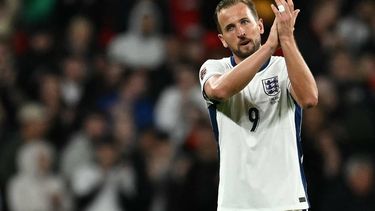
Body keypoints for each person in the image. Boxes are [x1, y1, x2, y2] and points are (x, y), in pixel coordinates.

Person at [198, 0, 318, 210]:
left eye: (245, 21)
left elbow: (309, 99)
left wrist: (286, 37)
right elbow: (219, 90)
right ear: (223, 40)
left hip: (286, 202)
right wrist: (271, 46)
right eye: (230, 28)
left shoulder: (284, 67)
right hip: (236, 204)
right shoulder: (214, 68)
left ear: (260, 26)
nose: (241, 32)